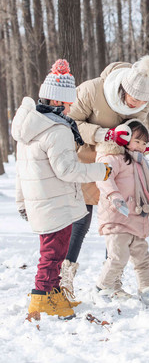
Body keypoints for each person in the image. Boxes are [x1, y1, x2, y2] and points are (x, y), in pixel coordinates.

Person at [11, 60, 112, 320]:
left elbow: (22, 172)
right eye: (69, 104)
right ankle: (40, 298)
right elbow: (67, 170)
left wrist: (21, 202)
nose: (70, 109)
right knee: (53, 254)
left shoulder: (31, 129)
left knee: (53, 251)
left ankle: (53, 293)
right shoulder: (56, 130)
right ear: (59, 103)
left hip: (43, 202)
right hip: (56, 204)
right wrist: (101, 171)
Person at [60, 55, 149, 294]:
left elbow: (137, 127)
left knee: (119, 222)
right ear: (124, 88)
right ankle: (65, 278)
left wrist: (141, 142)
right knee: (81, 220)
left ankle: (113, 283)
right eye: (134, 100)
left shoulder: (145, 97)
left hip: (118, 163)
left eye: (143, 103)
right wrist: (104, 134)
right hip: (84, 158)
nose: (138, 106)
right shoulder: (91, 90)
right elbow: (69, 122)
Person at [94, 119, 149, 305]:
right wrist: (114, 195)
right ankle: (102, 288)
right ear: (124, 137)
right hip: (117, 216)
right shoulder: (113, 157)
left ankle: (147, 291)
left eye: (144, 143)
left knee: (142, 257)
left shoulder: (140, 163)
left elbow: (144, 188)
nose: (141, 146)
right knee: (118, 257)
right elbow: (103, 176)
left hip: (137, 218)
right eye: (137, 141)